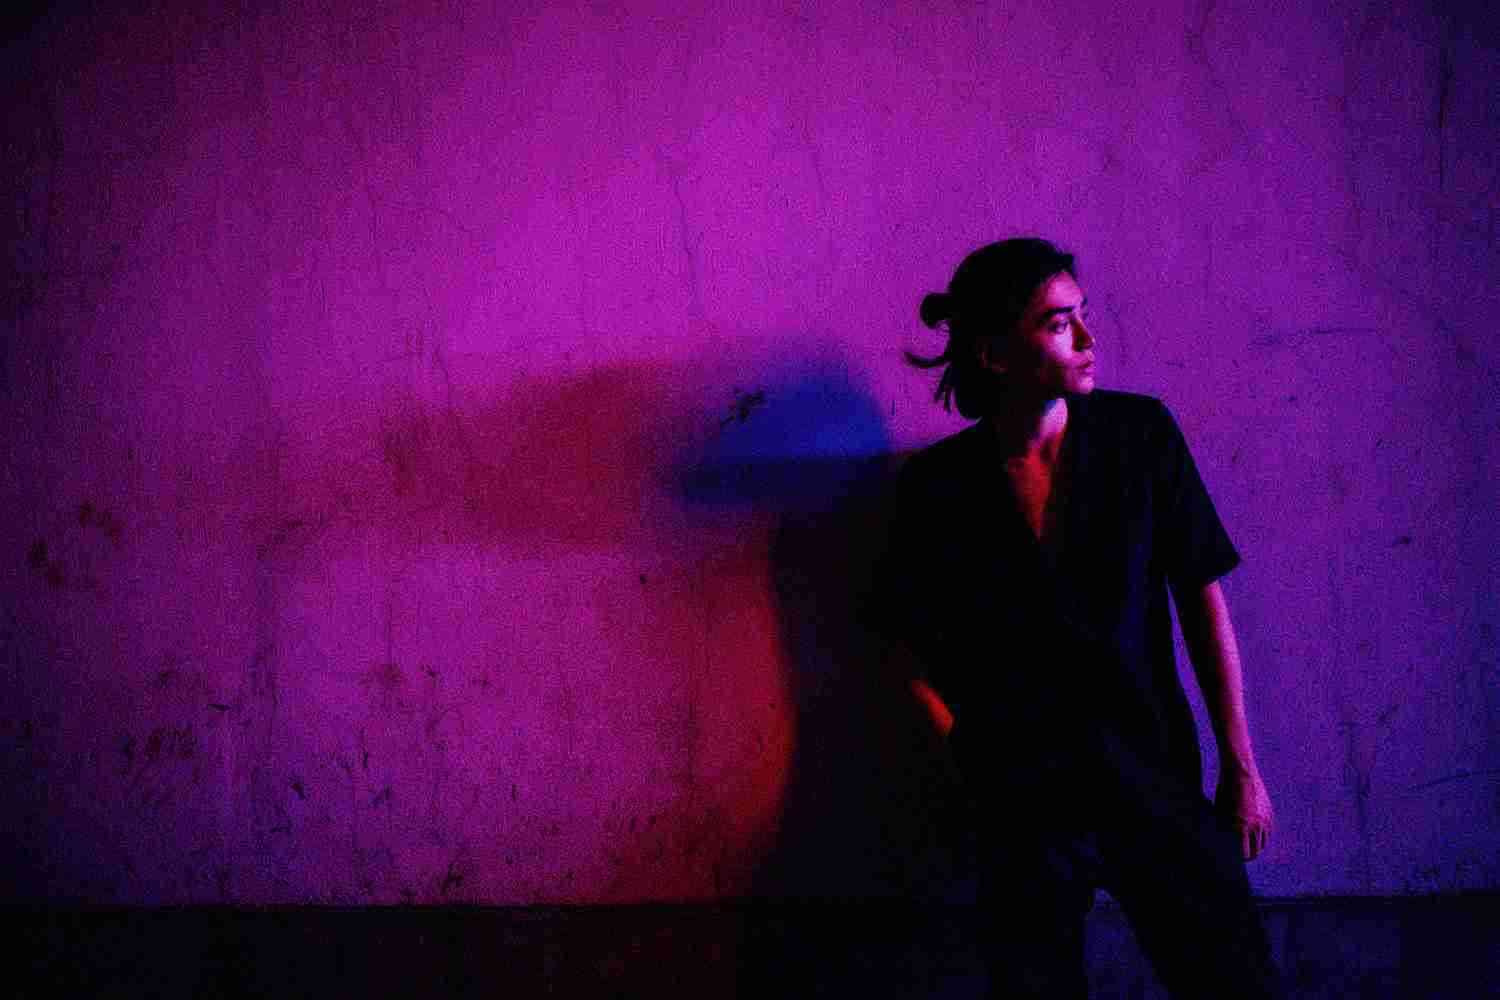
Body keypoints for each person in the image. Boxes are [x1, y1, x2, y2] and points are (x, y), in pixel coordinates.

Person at [874, 238, 1281, 997]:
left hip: (1151, 775)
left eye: (1082, 315)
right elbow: (905, 642)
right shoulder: (941, 486)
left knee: (1234, 980)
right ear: (994, 354)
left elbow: (1201, 598)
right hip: (1025, 799)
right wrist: (968, 751)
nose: (1089, 339)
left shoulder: (1139, 437)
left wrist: (1241, 764)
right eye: (1060, 324)